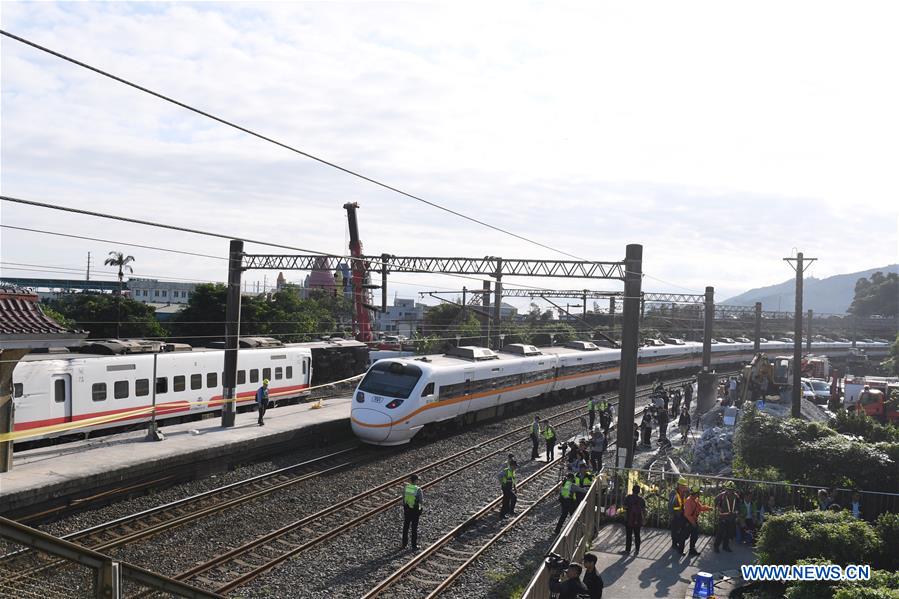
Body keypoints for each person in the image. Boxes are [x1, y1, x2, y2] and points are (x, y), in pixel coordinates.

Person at [684, 485, 712, 555]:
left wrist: (708, 508)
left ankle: (692, 550)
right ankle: (679, 548)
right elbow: (687, 515)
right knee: (685, 536)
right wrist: (693, 523)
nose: (699, 494)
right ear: (695, 493)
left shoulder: (695, 500)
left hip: (693, 521)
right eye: (698, 493)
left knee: (694, 536)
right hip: (689, 521)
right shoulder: (688, 501)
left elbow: (700, 507)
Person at [714, 481, 739, 553]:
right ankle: (716, 546)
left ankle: (725, 546)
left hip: (731, 518)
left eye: (731, 489)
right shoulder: (722, 495)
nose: (730, 491)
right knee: (720, 533)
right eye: (728, 489)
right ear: (726, 489)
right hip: (723, 517)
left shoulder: (736, 496)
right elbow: (715, 501)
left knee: (728, 533)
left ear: (734, 489)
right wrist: (719, 508)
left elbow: (738, 506)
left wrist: (736, 512)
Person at [622, 484, 646, 555]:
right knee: (637, 535)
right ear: (639, 491)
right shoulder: (642, 500)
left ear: (632, 490)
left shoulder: (628, 497)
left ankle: (627, 550)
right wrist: (644, 519)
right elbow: (644, 510)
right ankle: (637, 550)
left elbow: (624, 507)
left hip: (629, 519)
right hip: (638, 520)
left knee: (629, 535)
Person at [402, 474, 423, 550]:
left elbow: (404, 499)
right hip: (415, 511)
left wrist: (405, 508)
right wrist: (420, 510)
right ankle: (414, 545)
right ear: (416, 480)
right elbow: (420, 502)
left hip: (407, 509)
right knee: (414, 528)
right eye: (417, 480)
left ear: (410, 480)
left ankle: (404, 544)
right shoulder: (418, 490)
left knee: (406, 527)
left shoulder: (406, 488)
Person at [669, 477, 689, 555]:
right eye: (682, 486)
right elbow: (670, 505)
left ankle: (677, 542)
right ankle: (674, 544)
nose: (683, 487)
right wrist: (671, 514)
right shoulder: (673, 493)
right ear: (678, 485)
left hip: (682, 514)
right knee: (675, 530)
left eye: (684, 486)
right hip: (675, 514)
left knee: (681, 530)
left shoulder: (684, 492)